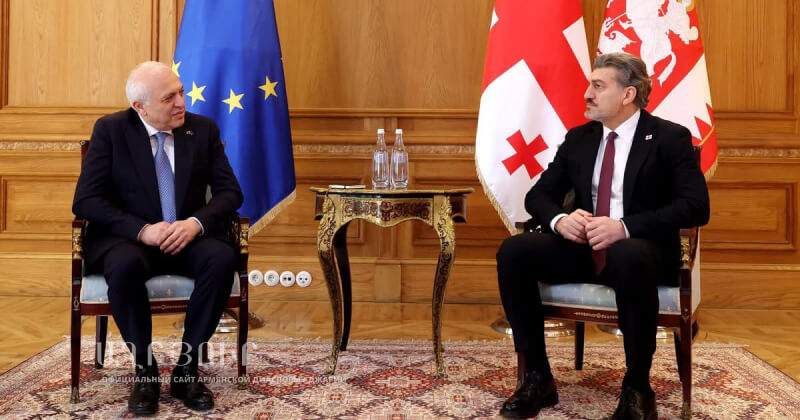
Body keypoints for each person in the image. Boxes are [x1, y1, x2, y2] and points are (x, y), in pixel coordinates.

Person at [496, 52, 710, 419]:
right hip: (583, 250)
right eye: (589, 85)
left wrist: (624, 227)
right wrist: (560, 219)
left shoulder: (668, 137)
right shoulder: (580, 138)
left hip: (641, 254)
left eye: (598, 85)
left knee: (629, 253)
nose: (587, 94)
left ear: (628, 94)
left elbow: (695, 207)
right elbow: (538, 196)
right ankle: (538, 378)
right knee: (514, 251)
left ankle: (637, 387)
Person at [73, 61, 243, 415]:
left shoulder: (202, 129)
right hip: (130, 240)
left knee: (221, 258)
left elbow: (230, 193)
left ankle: (186, 370)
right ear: (140, 106)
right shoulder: (111, 130)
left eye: (180, 92)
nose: (181, 102)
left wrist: (195, 223)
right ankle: (145, 371)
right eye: (169, 98)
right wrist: (142, 230)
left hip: (187, 238)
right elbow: (86, 200)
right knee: (123, 266)